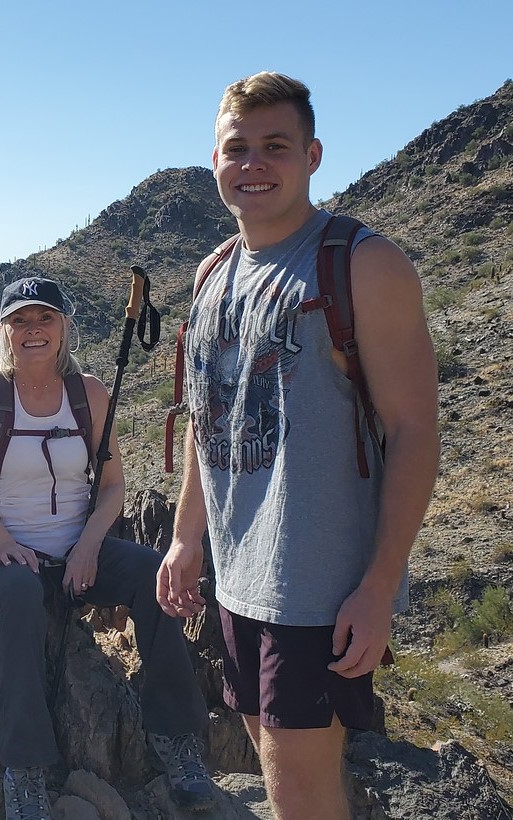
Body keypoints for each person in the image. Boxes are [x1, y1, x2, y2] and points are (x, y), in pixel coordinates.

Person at [157, 72, 439, 820]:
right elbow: (205, 416)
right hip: (237, 575)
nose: (252, 163)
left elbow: (414, 430)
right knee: (281, 770)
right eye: (236, 148)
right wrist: (187, 538)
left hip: (316, 587)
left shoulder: (361, 265)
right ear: (213, 161)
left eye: (273, 146)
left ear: (311, 155)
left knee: (299, 793)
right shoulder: (213, 271)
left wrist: (379, 584)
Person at [0, 277, 214, 818]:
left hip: (80, 550)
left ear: (64, 326)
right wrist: (3, 542)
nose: (33, 331)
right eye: (20, 321)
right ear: (5, 330)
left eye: (44, 319)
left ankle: (177, 739)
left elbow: (114, 485)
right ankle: (25, 769)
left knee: (153, 578)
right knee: (23, 598)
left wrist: (88, 546)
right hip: (9, 554)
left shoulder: (90, 394)